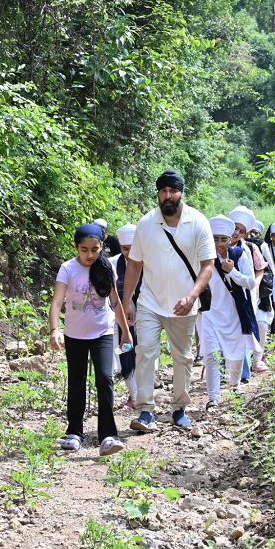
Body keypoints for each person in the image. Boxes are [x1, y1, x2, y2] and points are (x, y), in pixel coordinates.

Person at [121, 170, 216, 432]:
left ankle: (179, 409)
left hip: (184, 304)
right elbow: (134, 265)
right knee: (145, 353)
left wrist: (192, 295)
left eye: (172, 191)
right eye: (163, 191)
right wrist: (127, 301)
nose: (167, 196)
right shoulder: (146, 223)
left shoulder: (197, 222)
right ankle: (146, 411)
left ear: (181, 193)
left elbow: (208, 266)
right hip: (150, 302)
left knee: (183, 357)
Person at [48, 223, 133, 455]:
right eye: (84, 249)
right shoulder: (67, 269)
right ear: (76, 247)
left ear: (101, 246)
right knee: (76, 382)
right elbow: (57, 302)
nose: (89, 255)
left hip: (102, 333)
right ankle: (74, 432)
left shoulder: (107, 268)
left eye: (94, 249)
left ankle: (108, 435)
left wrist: (125, 331)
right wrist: (54, 330)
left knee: (105, 378)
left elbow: (115, 302)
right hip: (74, 334)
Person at [199, 215, 259, 408]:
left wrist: (231, 271)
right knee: (211, 355)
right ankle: (213, 398)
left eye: (223, 239)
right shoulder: (202, 257)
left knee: (236, 355)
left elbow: (250, 283)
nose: (219, 243)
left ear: (230, 238)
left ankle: (235, 384)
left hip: (234, 313)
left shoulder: (240, 255)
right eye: (214, 239)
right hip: (209, 313)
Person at [229, 207, 275, 373]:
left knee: (243, 330)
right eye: (234, 228)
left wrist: (255, 286)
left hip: (245, 294)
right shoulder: (215, 244)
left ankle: (242, 372)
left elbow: (260, 268)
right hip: (223, 296)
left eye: (241, 231)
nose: (236, 233)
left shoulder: (250, 248)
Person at [112, 223, 141, 409]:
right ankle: (135, 395)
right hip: (120, 315)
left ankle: (142, 394)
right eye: (125, 249)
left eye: (133, 248)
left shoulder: (149, 260)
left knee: (144, 354)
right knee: (124, 351)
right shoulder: (113, 263)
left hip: (145, 313)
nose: (129, 253)